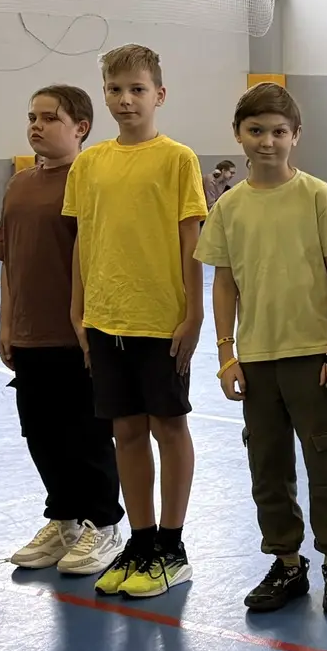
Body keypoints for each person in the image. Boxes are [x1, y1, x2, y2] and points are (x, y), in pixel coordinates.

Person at [200, 83, 327, 614]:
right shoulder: (229, 208)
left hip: (314, 357)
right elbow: (224, 284)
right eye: (256, 131)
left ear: (296, 135)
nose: (267, 141)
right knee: (267, 466)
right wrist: (226, 354)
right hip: (257, 361)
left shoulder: (317, 196)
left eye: (278, 131)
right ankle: (287, 564)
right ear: (238, 135)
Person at [64, 43, 208, 599]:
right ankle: (142, 540)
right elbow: (84, 240)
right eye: (116, 89)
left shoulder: (177, 159)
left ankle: (172, 545)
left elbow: (190, 240)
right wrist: (79, 309)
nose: (126, 99)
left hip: (161, 319)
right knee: (125, 431)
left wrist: (193, 313)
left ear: (159, 95)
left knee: (168, 427)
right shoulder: (90, 164)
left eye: (137, 89)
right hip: (106, 319)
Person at [1, 86, 124, 576]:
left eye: (49, 118)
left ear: (81, 127)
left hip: (79, 334)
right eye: (32, 117)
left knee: (87, 433)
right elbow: (9, 262)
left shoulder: (91, 181)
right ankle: (64, 517)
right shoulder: (19, 185)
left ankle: (104, 523)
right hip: (29, 334)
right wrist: (8, 323)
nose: (36, 125)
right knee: (40, 431)